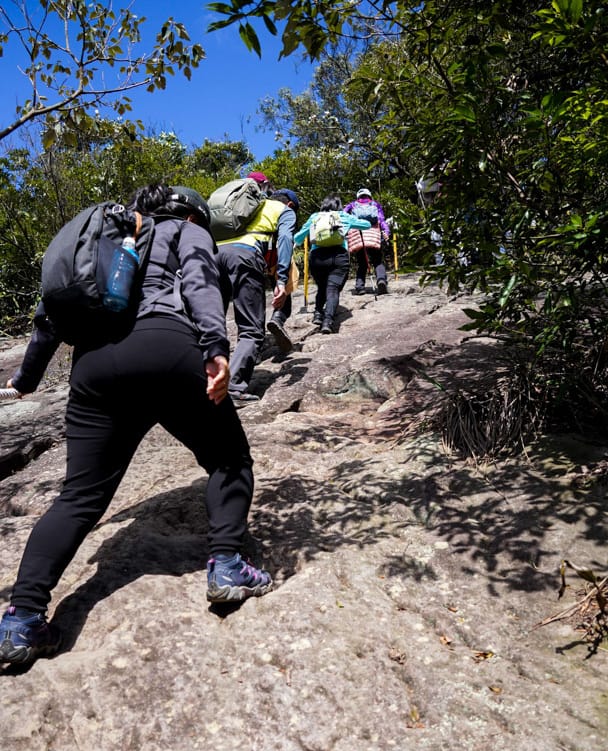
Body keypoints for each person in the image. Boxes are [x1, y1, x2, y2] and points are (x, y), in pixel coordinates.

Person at [0, 183, 272, 666]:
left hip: (95, 369)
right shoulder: (181, 231)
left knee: (79, 498)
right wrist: (216, 347)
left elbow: (49, 316)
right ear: (191, 214)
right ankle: (227, 566)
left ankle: (21, 622)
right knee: (229, 459)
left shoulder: (98, 242)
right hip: (168, 348)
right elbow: (199, 281)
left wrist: (25, 380)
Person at [216, 188, 299, 404]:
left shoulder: (245, 208)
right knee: (251, 330)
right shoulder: (284, 211)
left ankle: (203, 382)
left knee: (213, 325)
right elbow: (285, 241)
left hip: (213, 255)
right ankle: (232, 388)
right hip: (244, 256)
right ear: (290, 204)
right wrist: (281, 280)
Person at [294, 194, 370, 334]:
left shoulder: (315, 217)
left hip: (317, 258)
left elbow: (298, 238)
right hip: (338, 256)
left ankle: (317, 314)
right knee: (333, 289)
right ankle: (327, 322)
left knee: (322, 287)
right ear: (338, 205)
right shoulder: (342, 216)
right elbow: (366, 225)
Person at [343, 187, 391, 295]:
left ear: (358, 196)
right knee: (377, 260)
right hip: (373, 235)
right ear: (369, 195)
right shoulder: (375, 204)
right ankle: (381, 280)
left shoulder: (352, 205)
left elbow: (343, 215)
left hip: (358, 236)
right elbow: (381, 220)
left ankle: (360, 287)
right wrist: (386, 232)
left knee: (362, 263)